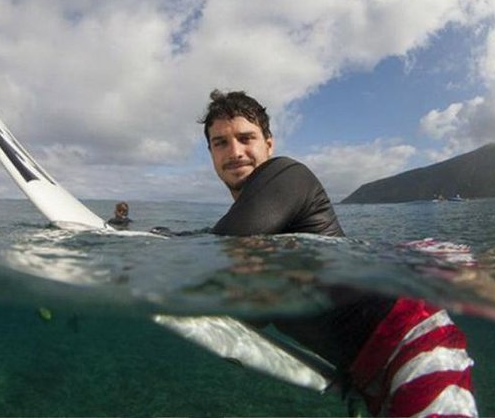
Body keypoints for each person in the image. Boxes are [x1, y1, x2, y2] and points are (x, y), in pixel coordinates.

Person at [200, 90, 476, 417]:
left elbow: (222, 249)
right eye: (221, 143)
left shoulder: (290, 176)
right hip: (361, 370)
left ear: (269, 144)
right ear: (211, 153)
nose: (235, 152)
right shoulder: (247, 231)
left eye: (247, 138)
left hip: (408, 337)